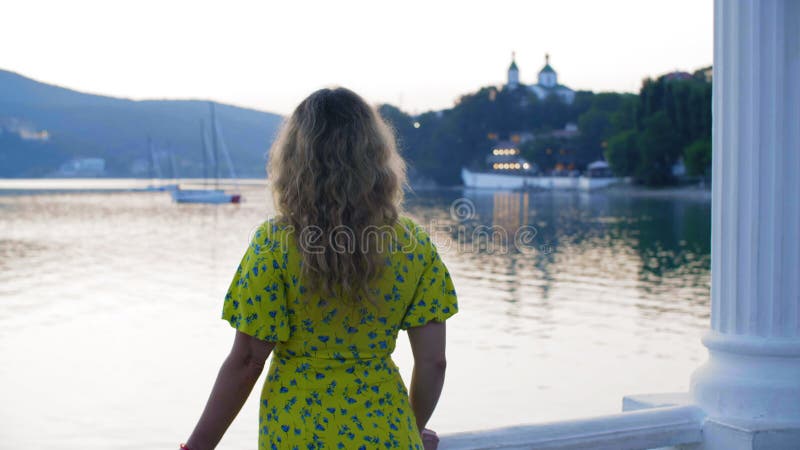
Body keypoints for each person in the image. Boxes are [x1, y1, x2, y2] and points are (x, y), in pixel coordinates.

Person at [182, 87, 458, 450]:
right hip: (388, 434)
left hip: (299, 436)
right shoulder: (414, 244)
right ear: (376, 155)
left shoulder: (274, 244)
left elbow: (248, 360)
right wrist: (409, 427)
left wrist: (196, 447)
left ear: (295, 158)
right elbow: (433, 362)